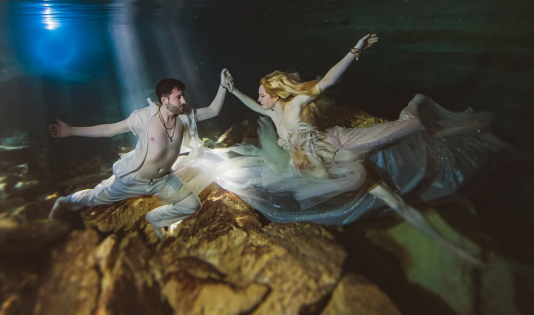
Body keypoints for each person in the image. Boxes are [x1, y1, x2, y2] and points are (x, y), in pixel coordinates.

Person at [175, 35, 505, 266]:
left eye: (262, 93)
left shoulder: (297, 102)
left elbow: (328, 82)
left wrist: (354, 50)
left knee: (408, 131)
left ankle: (426, 116)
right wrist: (233, 91)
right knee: (389, 196)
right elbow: (255, 106)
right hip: (328, 166)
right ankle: (454, 247)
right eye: (259, 94)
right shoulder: (273, 113)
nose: (259, 98)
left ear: (276, 92)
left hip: (339, 146)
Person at [48, 70, 233, 239]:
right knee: (94, 197)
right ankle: (64, 202)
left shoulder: (185, 116)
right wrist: (70, 130)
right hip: (134, 180)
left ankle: (155, 218)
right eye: (179, 97)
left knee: (192, 205)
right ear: (164, 100)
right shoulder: (143, 117)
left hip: (164, 179)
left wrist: (223, 85)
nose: (184, 101)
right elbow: (109, 130)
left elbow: (213, 110)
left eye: (183, 96)